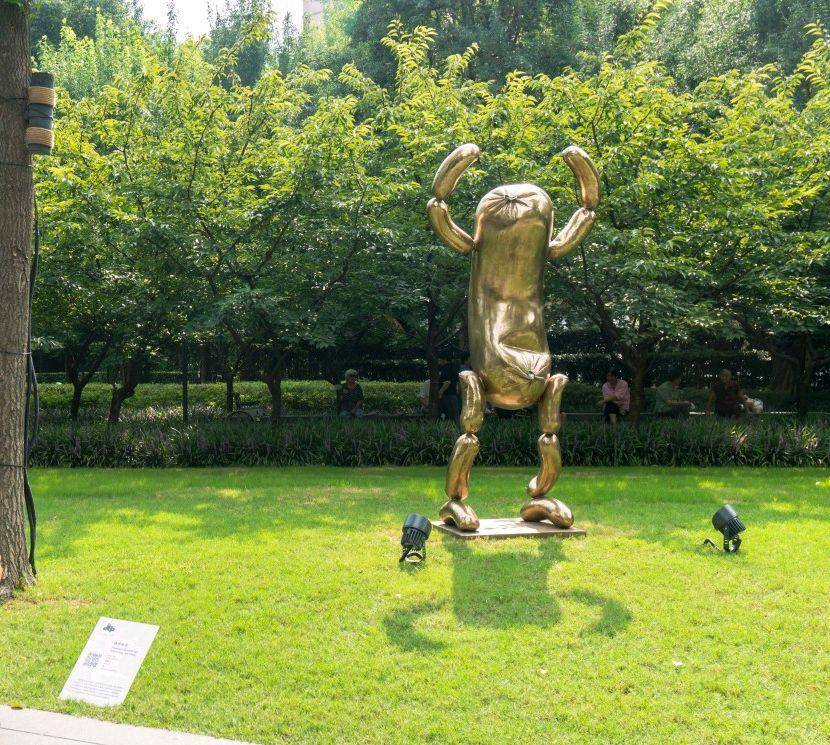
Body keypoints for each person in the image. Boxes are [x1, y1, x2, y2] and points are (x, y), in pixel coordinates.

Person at [438, 357, 461, 423]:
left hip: (447, 396)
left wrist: (440, 393)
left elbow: (447, 382)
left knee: (448, 418)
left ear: (444, 359)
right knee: (455, 418)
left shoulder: (446, 368)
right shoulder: (454, 367)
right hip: (454, 395)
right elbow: (458, 383)